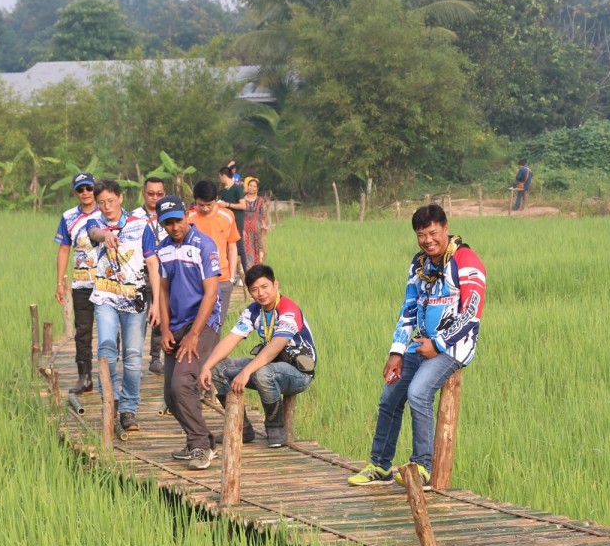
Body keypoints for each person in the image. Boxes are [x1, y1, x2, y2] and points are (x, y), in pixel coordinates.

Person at [348, 205, 487, 488]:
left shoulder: (466, 260)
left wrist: (438, 344)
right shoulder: (419, 263)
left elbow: (471, 312)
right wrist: (397, 351)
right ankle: (380, 466)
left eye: (433, 233)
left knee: (418, 392)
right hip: (419, 345)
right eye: (421, 235)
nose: (427, 240)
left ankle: (422, 467)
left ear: (446, 228)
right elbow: (409, 307)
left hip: (453, 347)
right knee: (390, 397)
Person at [199, 264, 317, 447]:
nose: (261, 293)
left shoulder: (288, 309)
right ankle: (242, 428)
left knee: (263, 373)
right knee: (218, 369)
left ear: (275, 285)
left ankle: (275, 429)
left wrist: (246, 372)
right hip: (269, 367)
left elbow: (276, 346)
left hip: (298, 373)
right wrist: (206, 366)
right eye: (254, 290)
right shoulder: (253, 310)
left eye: (265, 287)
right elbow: (231, 339)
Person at [155, 194, 224, 470]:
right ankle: (201, 440)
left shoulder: (204, 246)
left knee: (182, 383)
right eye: (167, 223)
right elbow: (162, 289)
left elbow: (211, 293)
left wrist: (194, 334)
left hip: (203, 324)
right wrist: (165, 329)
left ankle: (200, 447)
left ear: (187, 215)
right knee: (171, 397)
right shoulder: (163, 249)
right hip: (177, 325)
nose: (174, 227)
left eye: (177, 220)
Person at [86, 178, 161, 433]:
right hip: (105, 297)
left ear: (120, 197)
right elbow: (95, 233)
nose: (106, 206)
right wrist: (106, 234)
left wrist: (157, 304)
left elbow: (152, 264)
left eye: (110, 200)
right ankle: (111, 400)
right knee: (106, 350)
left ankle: (129, 408)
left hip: (135, 300)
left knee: (133, 355)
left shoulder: (140, 225)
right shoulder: (95, 222)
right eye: (101, 202)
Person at [53, 172, 100, 393]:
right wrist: (60, 282)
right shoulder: (69, 216)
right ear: (75, 192)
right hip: (81, 282)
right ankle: (85, 376)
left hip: (107, 283)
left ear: (95, 189)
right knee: (82, 330)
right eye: (80, 189)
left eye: (88, 188)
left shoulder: (107, 212)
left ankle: (111, 376)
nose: (85, 193)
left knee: (111, 332)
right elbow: (63, 249)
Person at [186, 180, 240, 332]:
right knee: (194, 325)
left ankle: (214, 356)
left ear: (216, 199)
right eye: (200, 204)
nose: (205, 208)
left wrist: (231, 277)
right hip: (194, 281)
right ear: (195, 200)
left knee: (216, 326)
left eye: (209, 204)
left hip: (222, 279)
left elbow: (232, 246)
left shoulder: (227, 216)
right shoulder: (188, 218)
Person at [131, 176, 168, 375]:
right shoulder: (134, 216)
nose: (155, 198)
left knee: (161, 316)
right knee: (138, 317)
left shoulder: (170, 214)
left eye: (159, 194)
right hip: (140, 274)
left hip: (165, 274)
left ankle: (156, 358)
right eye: (151, 193)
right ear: (144, 193)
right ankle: (134, 357)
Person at [217, 167, 247, 279]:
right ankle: (231, 273)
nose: (219, 179)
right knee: (227, 247)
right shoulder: (223, 191)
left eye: (220, 177)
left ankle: (246, 273)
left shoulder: (237, 189)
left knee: (239, 247)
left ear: (224, 176)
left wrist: (228, 205)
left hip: (237, 221)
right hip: (225, 223)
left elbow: (243, 205)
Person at [241, 176, 269, 269]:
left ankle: (258, 271)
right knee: (247, 251)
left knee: (258, 251)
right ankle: (248, 272)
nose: (252, 188)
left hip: (257, 229)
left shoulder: (260, 200)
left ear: (257, 188)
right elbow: (240, 215)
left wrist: (264, 225)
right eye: (250, 185)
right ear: (247, 186)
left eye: (254, 186)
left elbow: (262, 215)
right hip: (245, 230)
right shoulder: (242, 200)